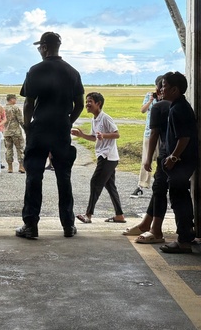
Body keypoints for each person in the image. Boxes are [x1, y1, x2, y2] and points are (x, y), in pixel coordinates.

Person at [15, 31, 85, 239]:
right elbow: (79, 105)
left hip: (40, 129)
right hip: (61, 130)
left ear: (45, 47)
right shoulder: (72, 72)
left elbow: (28, 103)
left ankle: (31, 225)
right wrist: (67, 122)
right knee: (64, 177)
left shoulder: (35, 70)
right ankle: (68, 225)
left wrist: (28, 128)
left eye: (39, 47)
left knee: (34, 177)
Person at [123, 75, 170, 243]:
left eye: (164, 87)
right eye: (160, 87)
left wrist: (150, 158)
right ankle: (147, 224)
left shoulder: (167, 106)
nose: (161, 91)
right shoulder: (162, 103)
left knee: (163, 189)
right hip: (166, 150)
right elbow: (143, 111)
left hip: (169, 152)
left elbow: (158, 132)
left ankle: (156, 230)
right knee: (159, 187)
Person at [157, 71, 199, 254]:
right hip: (184, 162)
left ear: (175, 90)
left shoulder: (178, 109)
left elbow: (184, 138)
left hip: (181, 163)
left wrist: (173, 158)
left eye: (164, 86)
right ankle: (187, 236)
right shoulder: (179, 106)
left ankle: (183, 241)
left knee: (178, 199)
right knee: (181, 197)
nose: (161, 89)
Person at [73, 91, 125, 224]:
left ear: (98, 104)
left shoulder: (105, 118)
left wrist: (104, 135)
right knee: (110, 185)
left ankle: (88, 215)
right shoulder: (94, 119)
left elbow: (117, 134)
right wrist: (81, 135)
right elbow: (94, 137)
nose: (87, 104)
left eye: (90, 102)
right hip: (104, 156)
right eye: (86, 102)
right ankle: (119, 215)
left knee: (95, 182)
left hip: (107, 156)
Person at [133, 83, 158, 197]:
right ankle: (142, 184)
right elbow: (143, 110)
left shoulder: (166, 97)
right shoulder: (149, 95)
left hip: (162, 134)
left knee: (161, 159)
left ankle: (162, 183)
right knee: (146, 160)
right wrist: (150, 101)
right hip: (149, 132)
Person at [3, 93, 26, 174]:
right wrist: (26, 129)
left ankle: (10, 167)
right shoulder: (16, 108)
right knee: (20, 149)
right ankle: (21, 166)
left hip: (6, 132)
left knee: (9, 149)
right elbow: (21, 120)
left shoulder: (3, 109)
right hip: (16, 132)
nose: (16, 100)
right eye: (15, 99)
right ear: (11, 99)